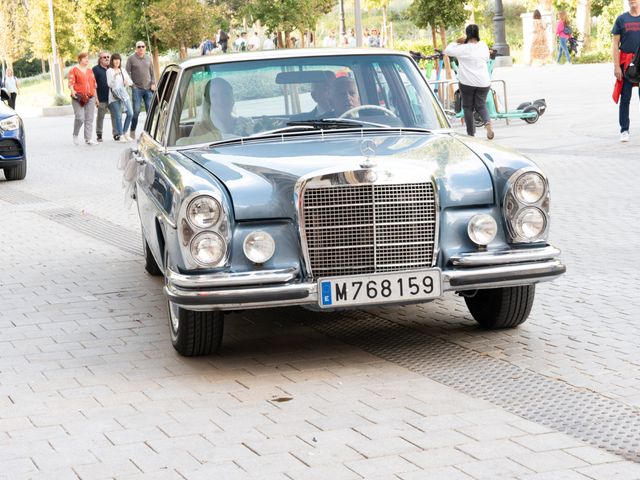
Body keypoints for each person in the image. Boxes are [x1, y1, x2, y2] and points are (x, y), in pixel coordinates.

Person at [444, 24, 494, 139]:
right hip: (483, 82)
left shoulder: (462, 48)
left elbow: (447, 50)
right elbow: (486, 58)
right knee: (481, 105)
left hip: (467, 83)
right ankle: (487, 123)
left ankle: (471, 134)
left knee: (467, 107)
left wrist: (456, 43)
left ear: (467, 34)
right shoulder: (483, 46)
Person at [189, 77, 253, 142]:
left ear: (232, 99)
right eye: (214, 95)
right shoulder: (200, 130)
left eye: (224, 94)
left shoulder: (245, 123)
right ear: (208, 102)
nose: (220, 100)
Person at [612, 0, 640, 142]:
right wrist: (617, 66)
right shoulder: (621, 19)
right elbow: (615, 43)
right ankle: (624, 129)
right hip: (627, 63)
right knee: (625, 97)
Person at [126, 41, 156, 139]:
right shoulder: (131, 59)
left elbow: (152, 72)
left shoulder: (148, 58)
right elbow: (127, 73)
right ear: (136, 48)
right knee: (136, 111)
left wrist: (153, 83)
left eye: (143, 46)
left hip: (148, 89)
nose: (141, 48)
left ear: (145, 48)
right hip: (137, 89)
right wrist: (132, 85)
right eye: (139, 47)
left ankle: (149, 132)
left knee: (150, 111)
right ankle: (132, 129)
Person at [68, 52, 98, 145]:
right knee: (80, 118)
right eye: (85, 58)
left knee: (89, 118)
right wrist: (72, 91)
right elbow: (71, 82)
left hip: (90, 96)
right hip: (78, 97)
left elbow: (94, 85)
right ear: (80, 59)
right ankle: (75, 135)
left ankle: (88, 139)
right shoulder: (74, 70)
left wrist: (96, 98)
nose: (87, 60)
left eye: (88, 58)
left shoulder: (90, 71)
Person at [107, 53, 134, 142]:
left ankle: (125, 132)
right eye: (115, 59)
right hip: (114, 96)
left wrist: (127, 82)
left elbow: (130, 82)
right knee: (118, 116)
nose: (117, 61)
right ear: (112, 61)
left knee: (130, 113)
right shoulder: (109, 71)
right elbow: (109, 84)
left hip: (124, 95)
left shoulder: (122, 70)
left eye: (118, 59)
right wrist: (115, 76)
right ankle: (121, 135)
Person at [92, 51, 116, 142]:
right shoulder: (95, 69)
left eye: (108, 57)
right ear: (100, 59)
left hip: (113, 98)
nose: (106, 58)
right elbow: (93, 85)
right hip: (101, 98)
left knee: (115, 115)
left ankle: (116, 134)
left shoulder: (112, 69)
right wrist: (96, 98)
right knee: (100, 117)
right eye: (104, 57)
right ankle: (99, 134)